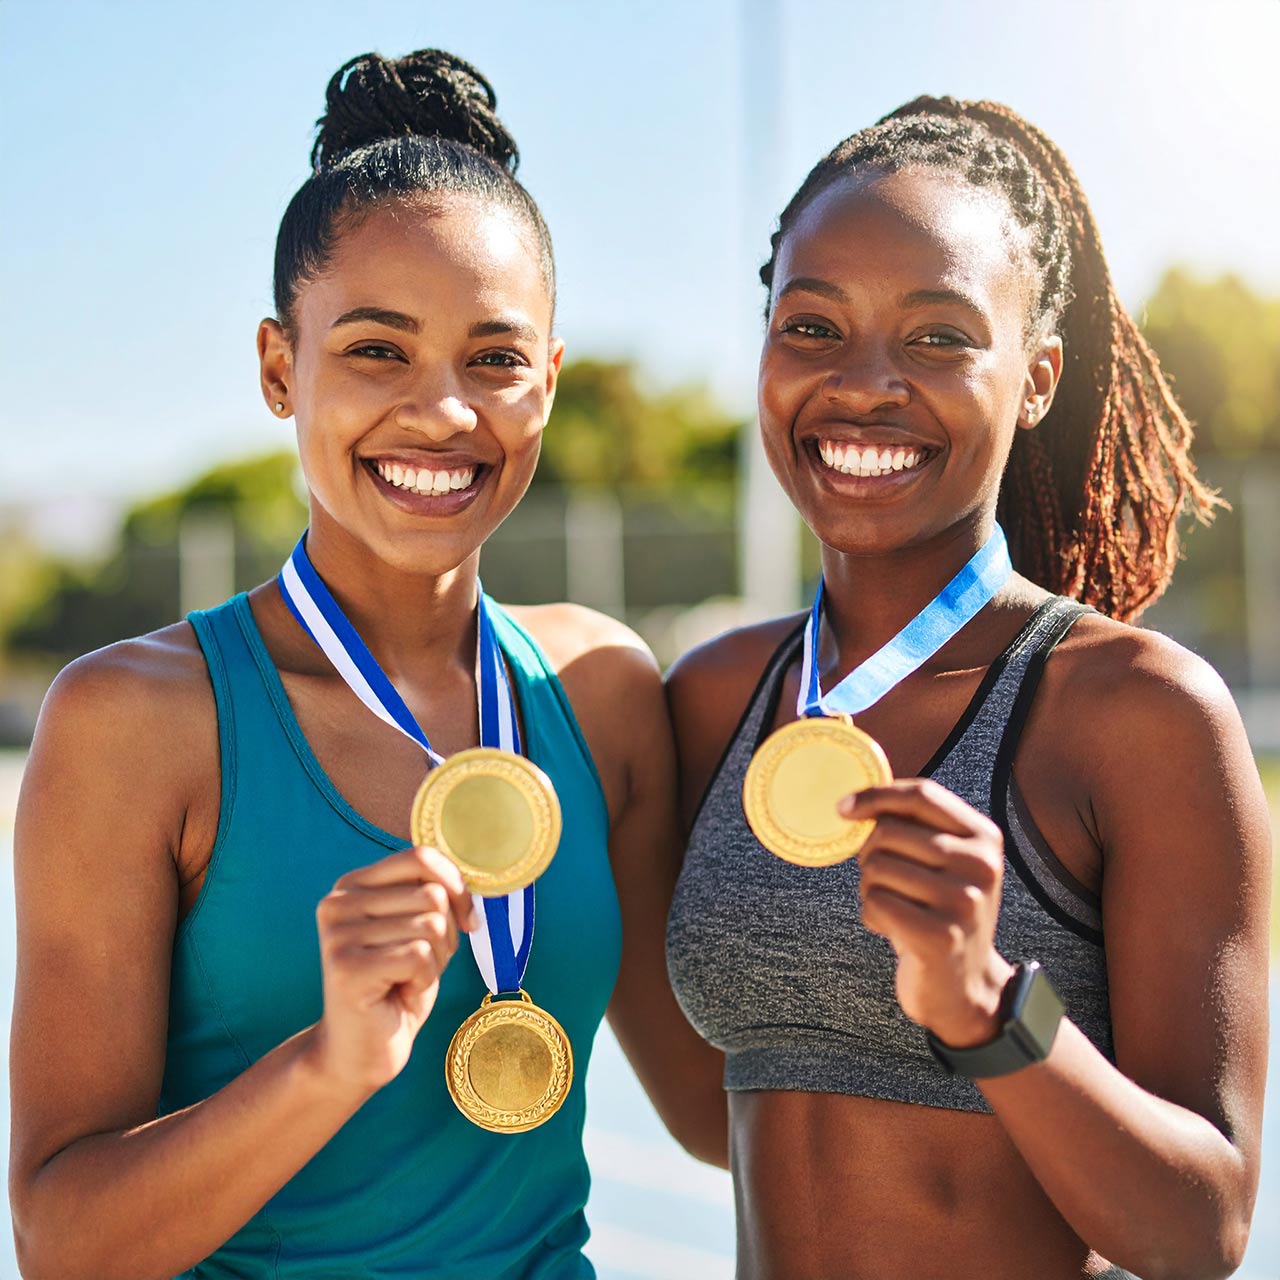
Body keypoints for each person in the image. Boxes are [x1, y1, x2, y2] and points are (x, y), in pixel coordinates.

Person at [10, 49, 723, 1280]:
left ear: (547, 382)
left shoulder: (601, 691)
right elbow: (66, 1242)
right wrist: (327, 1063)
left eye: (493, 358)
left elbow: (717, 1112)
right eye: (378, 351)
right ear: (280, 367)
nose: (443, 412)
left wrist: (978, 1012)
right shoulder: (139, 719)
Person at [666, 97, 1270, 1279]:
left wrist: (988, 1003)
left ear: (1035, 376)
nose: (864, 384)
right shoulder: (711, 696)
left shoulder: (1137, 713)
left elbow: (1200, 1230)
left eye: (938, 337)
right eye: (811, 327)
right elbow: (714, 1113)